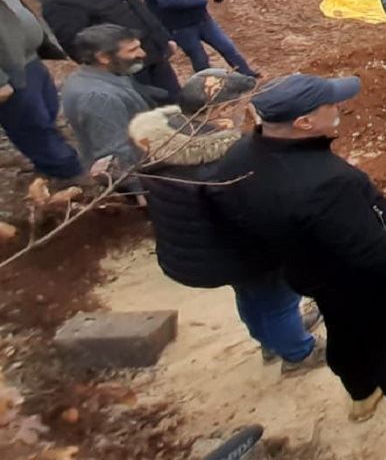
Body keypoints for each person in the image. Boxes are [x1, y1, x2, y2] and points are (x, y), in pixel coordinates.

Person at [214, 74, 386, 425]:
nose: (339, 108)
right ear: (304, 122)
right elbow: (365, 246)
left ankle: (363, 394)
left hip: (309, 271)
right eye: (330, 105)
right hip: (362, 279)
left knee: (343, 331)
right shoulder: (324, 182)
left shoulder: (242, 156)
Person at [128, 69, 324, 374]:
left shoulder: (160, 144)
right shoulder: (225, 162)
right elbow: (260, 213)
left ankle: (271, 341)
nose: (247, 110)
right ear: (219, 110)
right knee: (278, 300)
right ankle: (298, 354)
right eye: (241, 103)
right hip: (242, 252)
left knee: (250, 296)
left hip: (206, 251)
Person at [43, 0, 181, 103]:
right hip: (123, 68)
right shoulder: (62, 0)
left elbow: (140, 10)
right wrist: (111, 68)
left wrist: (163, 39)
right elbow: (77, 45)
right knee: (146, 108)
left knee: (174, 99)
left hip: (152, 54)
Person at [0, 0, 84, 179]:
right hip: (9, 73)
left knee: (47, 111)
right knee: (31, 124)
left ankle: (55, 160)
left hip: (29, 61)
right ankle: (67, 173)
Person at [59, 24, 153, 179]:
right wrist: (138, 190)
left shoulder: (106, 72)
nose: (142, 53)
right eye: (132, 50)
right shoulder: (99, 98)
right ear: (103, 57)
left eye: (139, 47)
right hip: (139, 174)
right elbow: (114, 156)